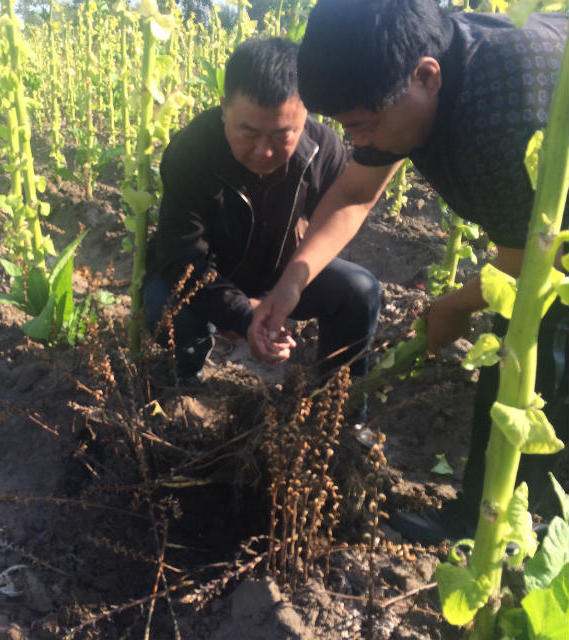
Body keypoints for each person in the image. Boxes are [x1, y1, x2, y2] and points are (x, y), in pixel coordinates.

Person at [249, 0, 569, 544]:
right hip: (533, 225)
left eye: (364, 127)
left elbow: (538, 258)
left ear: (426, 76)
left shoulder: (506, 117)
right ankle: (482, 517)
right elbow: (353, 192)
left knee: (537, 350)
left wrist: (454, 305)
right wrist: (292, 281)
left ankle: (517, 533)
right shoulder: (402, 81)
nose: (360, 142)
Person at [145, 37, 380, 393]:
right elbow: (182, 258)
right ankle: (185, 384)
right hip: (212, 275)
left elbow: (331, 230)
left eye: (282, 134)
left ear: (306, 116)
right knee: (166, 303)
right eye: (248, 132)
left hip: (282, 275)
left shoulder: (325, 151)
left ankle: (337, 404)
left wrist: (288, 289)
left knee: (359, 290)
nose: (264, 151)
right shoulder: (191, 151)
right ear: (225, 108)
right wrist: (243, 314)